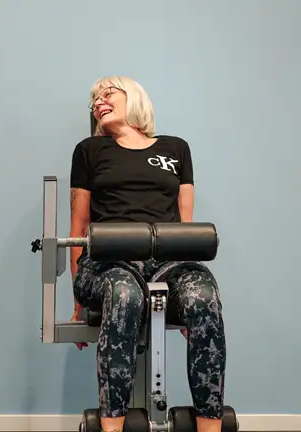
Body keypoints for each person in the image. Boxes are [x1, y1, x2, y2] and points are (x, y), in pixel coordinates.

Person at [69, 76, 226, 432]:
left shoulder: (176, 149)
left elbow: (184, 226)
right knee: (125, 294)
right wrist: (79, 304)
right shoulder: (89, 150)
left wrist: (189, 308)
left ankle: (210, 427)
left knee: (203, 295)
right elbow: (79, 227)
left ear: (135, 97)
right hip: (109, 262)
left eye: (108, 92)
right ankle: (112, 426)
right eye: (95, 98)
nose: (99, 101)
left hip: (168, 262)